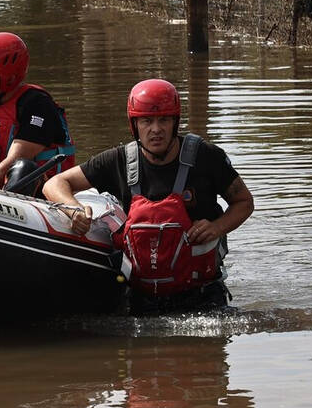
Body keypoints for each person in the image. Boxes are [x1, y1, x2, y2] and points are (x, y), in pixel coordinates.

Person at [42, 78, 254, 311]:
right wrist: (74, 209)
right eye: (147, 121)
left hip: (202, 295)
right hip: (140, 298)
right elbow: (56, 183)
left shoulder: (207, 157)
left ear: (175, 122)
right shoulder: (118, 160)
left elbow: (244, 202)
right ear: (135, 125)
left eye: (164, 120)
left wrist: (217, 227)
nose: (156, 129)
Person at [0, 32, 76, 192]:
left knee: (23, 167)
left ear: (9, 78)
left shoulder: (37, 105)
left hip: (43, 194)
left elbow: (15, 159)